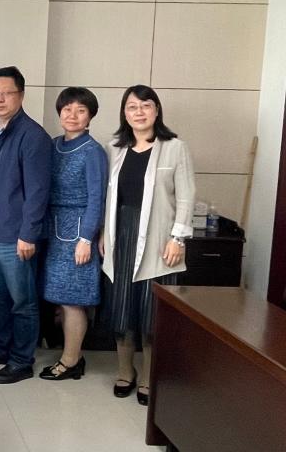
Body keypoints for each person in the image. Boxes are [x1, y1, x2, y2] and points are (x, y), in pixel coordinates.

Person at [102, 84, 194, 406]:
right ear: (124, 113)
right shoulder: (115, 148)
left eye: (145, 106)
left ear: (156, 110)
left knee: (152, 314)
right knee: (123, 309)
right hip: (121, 236)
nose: (138, 112)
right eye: (132, 107)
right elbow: (108, 197)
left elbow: (186, 196)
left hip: (159, 238)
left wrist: (178, 238)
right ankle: (124, 371)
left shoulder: (175, 147)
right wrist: (101, 234)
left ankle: (149, 376)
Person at [0, 66, 51, 385]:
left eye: (7, 93)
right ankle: (2, 349)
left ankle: (21, 360)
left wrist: (28, 234)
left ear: (21, 95)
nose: (0, 99)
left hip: (16, 234)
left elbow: (38, 191)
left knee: (23, 300)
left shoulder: (32, 136)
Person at [38, 87, 108, 381]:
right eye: (67, 109)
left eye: (81, 111)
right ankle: (69, 355)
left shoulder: (93, 151)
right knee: (58, 296)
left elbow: (97, 199)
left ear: (90, 116)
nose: (73, 115)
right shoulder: (54, 145)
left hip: (78, 232)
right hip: (53, 229)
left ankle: (71, 361)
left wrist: (86, 239)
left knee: (72, 299)